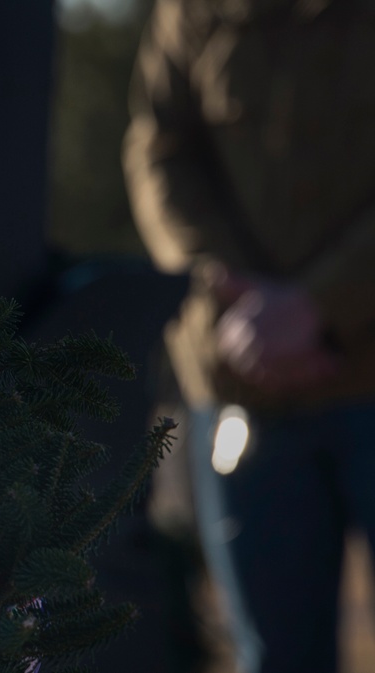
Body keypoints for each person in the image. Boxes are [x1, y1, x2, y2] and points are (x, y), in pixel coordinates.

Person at [122, 0, 375, 670]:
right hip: (241, 374)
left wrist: (319, 304)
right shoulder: (192, 11)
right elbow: (158, 150)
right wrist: (231, 291)